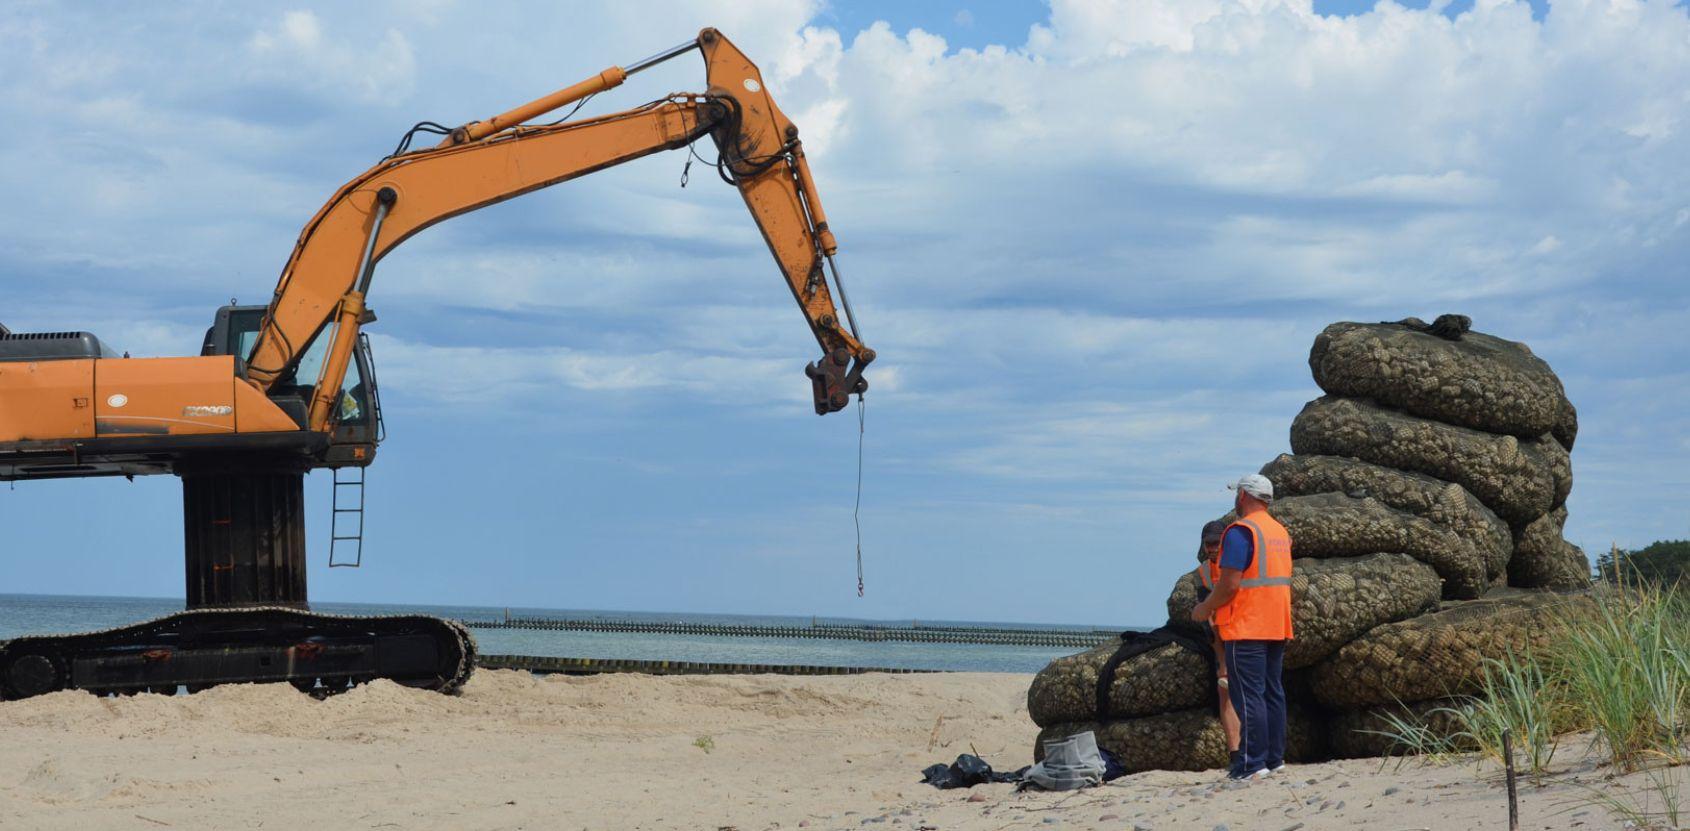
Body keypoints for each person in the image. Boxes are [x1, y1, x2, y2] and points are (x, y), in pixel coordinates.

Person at [1189, 473, 1293, 781]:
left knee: (1248, 695)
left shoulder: (1240, 532)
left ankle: (1251, 763)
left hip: (1246, 625)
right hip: (1277, 623)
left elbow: (1229, 584)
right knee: (1272, 692)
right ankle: (1274, 759)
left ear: (1244, 496)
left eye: (1237, 494)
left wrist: (1205, 608)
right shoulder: (1278, 531)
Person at [1193, 519, 1243, 773]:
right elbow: (1209, 621)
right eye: (1208, 543)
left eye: (1217, 543)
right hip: (1223, 636)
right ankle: (1236, 754)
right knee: (1225, 692)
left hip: (1247, 632)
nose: (1212, 548)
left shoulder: (1239, 563)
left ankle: (1256, 752)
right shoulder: (1204, 573)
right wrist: (1222, 659)